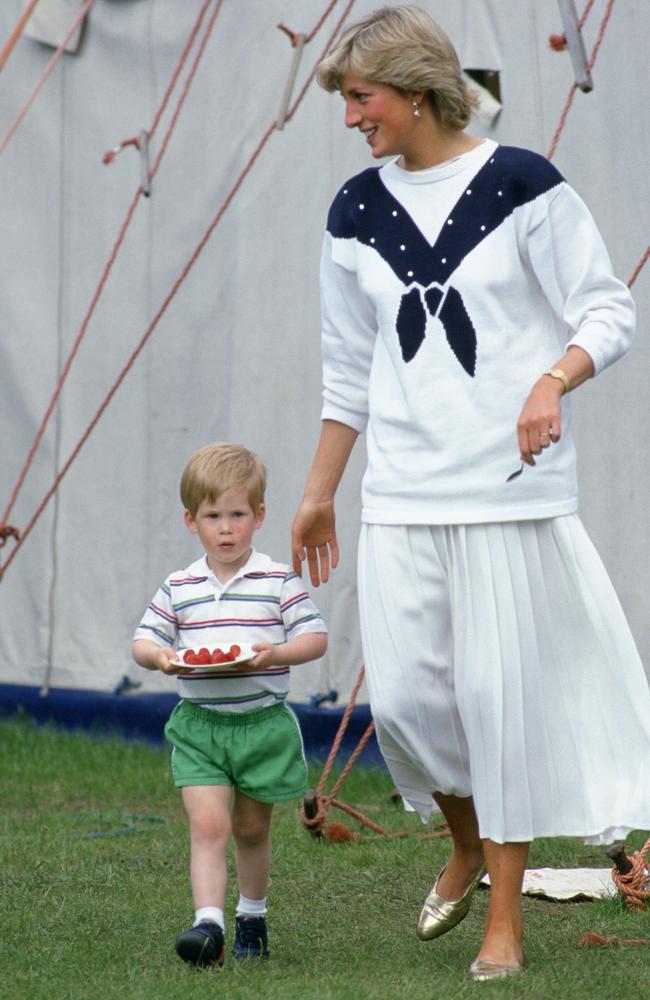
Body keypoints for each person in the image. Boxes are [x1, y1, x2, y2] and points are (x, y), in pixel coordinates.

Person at [291, 4, 650, 983]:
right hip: (400, 494)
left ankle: (504, 922)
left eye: (359, 98)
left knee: (495, 705)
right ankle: (458, 838)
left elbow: (604, 307)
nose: (350, 116)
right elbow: (344, 367)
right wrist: (319, 492)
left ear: (413, 93)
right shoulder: (352, 210)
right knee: (407, 704)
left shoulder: (520, 182)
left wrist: (552, 378)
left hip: (504, 494)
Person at [133, 442, 327, 968]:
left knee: (250, 829)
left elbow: (315, 638)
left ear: (259, 516)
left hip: (260, 724)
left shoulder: (277, 579)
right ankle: (208, 924)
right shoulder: (180, 585)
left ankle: (252, 915)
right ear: (191, 520)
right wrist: (163, 658)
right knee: (210, 827)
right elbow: (143, 642)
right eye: (213, 516)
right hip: (200, 726)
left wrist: (275, 653)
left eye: (237, 514)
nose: (225, 528)